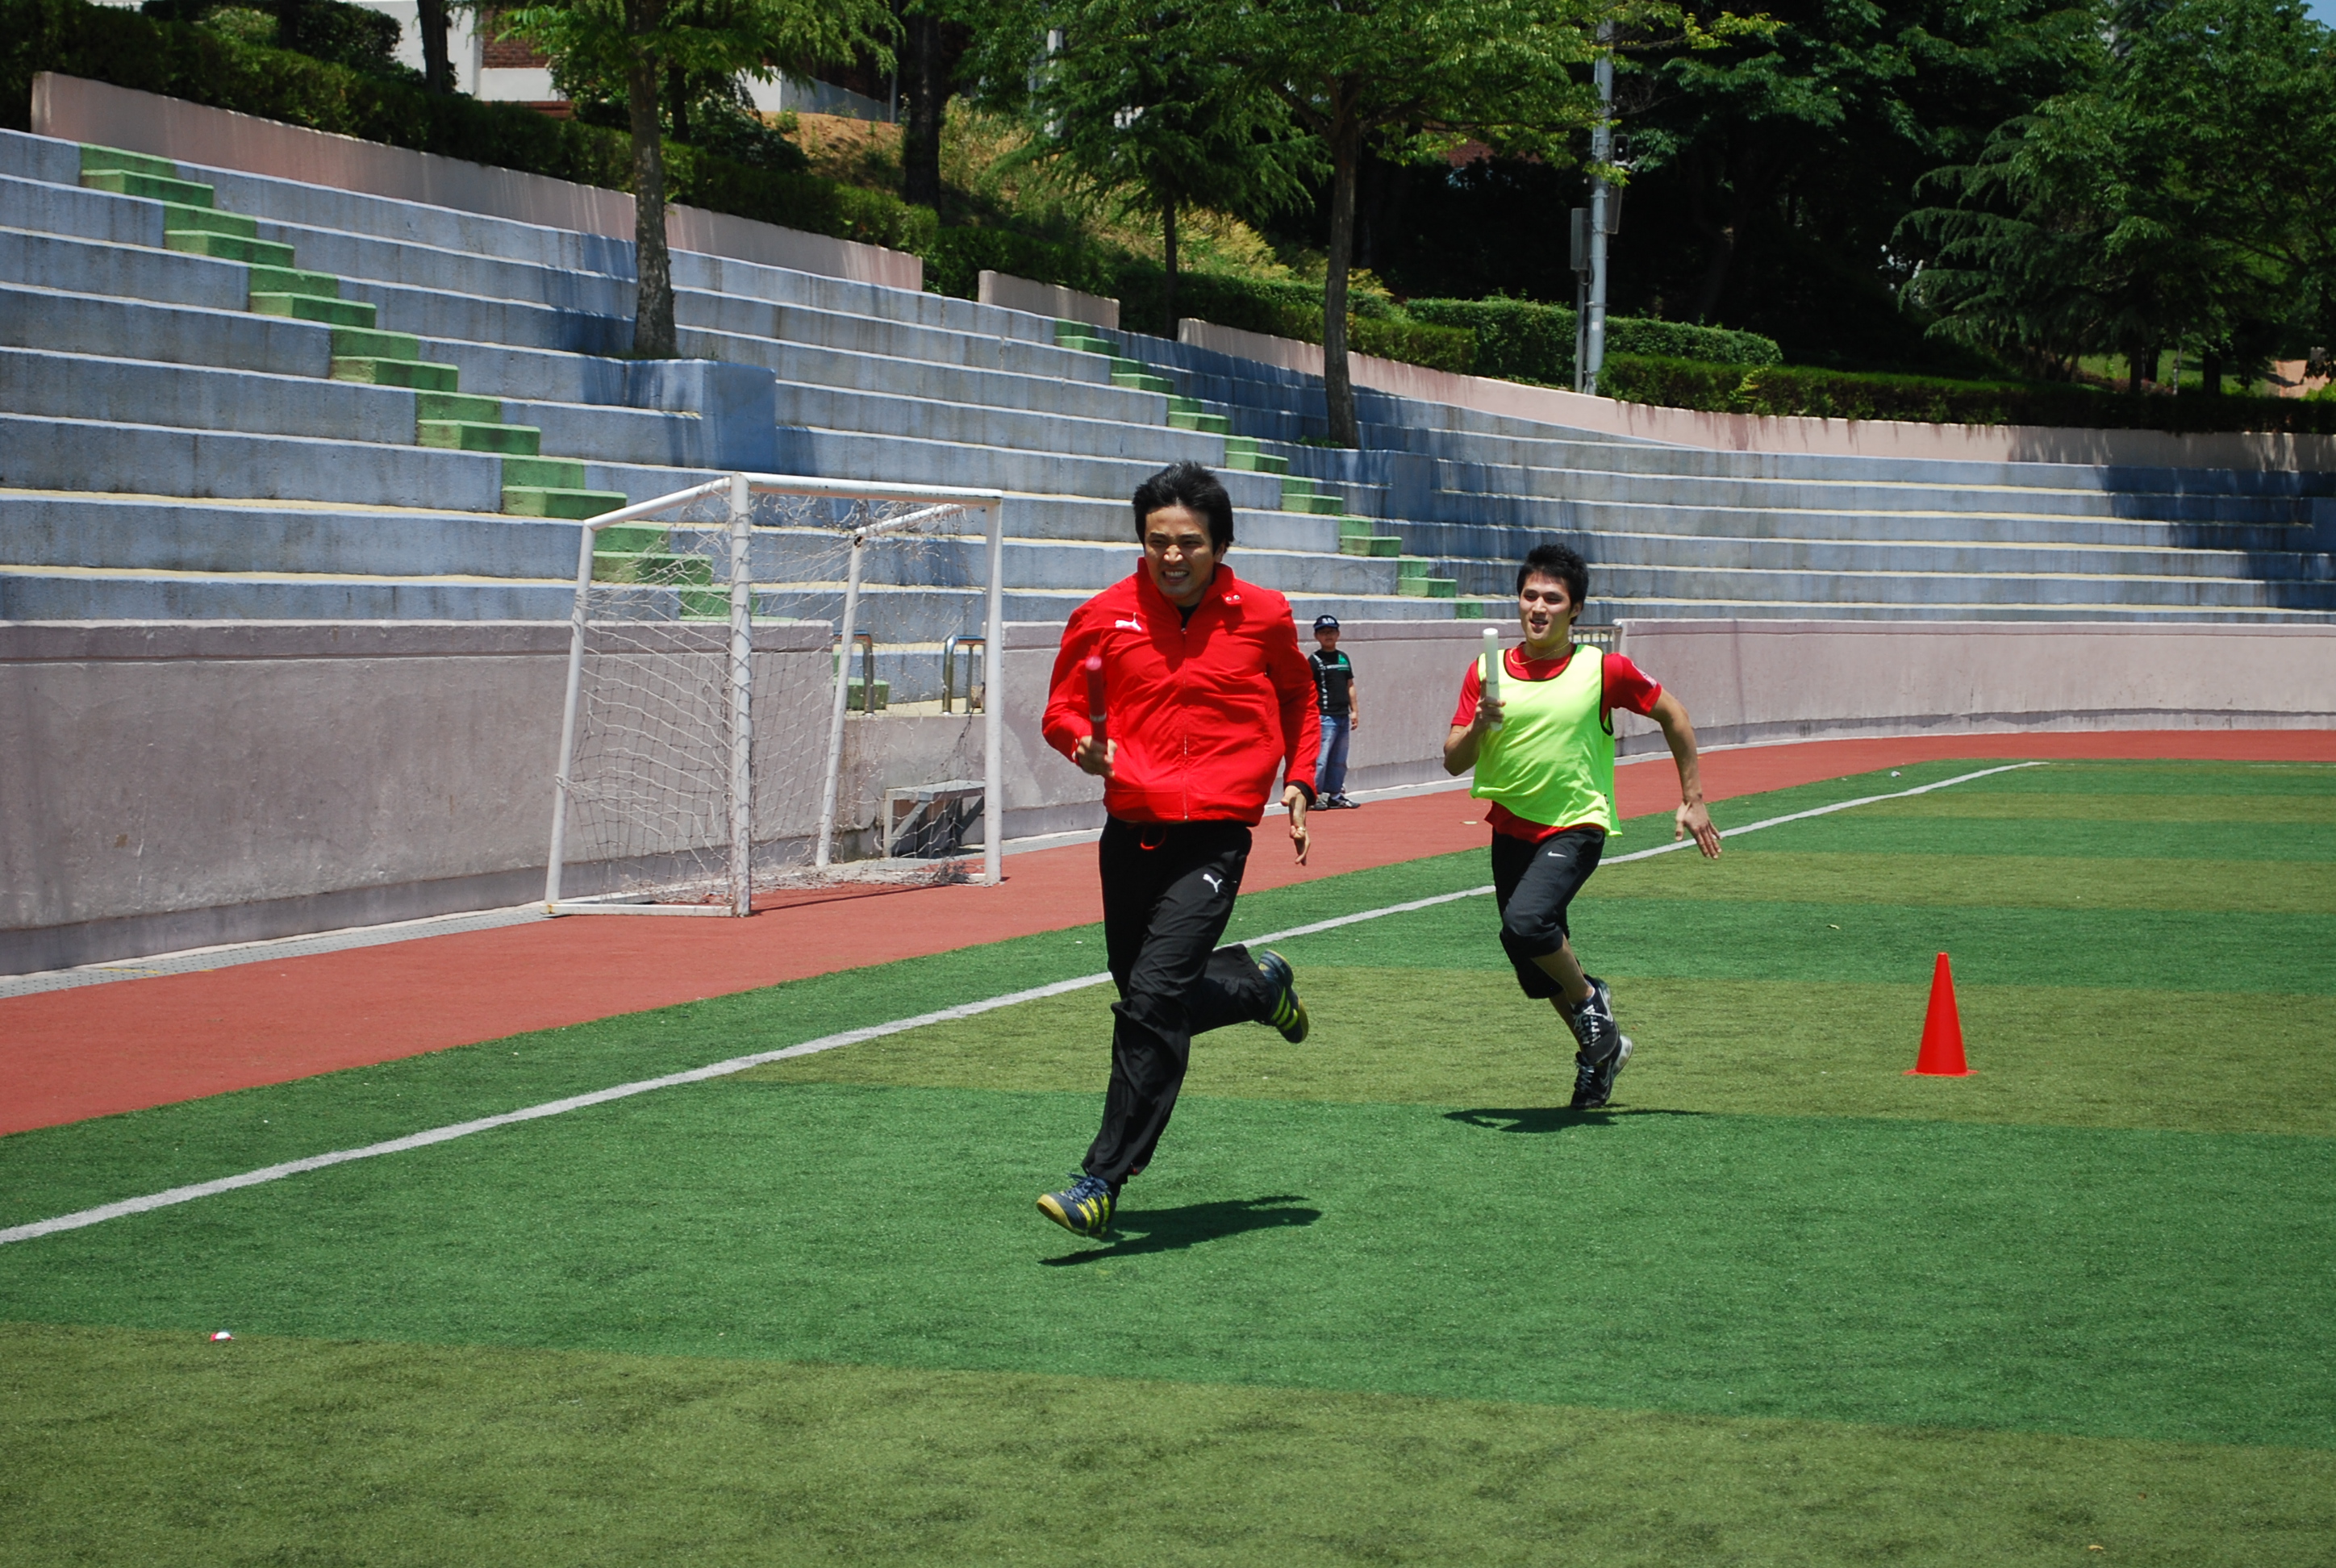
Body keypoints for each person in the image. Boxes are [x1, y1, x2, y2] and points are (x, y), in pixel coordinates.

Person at [1036, 461, 1320, 1238]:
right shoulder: (1102, 615)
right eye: (1157, 540)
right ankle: (1256, 989)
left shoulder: (1264, 614)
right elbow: (1060, 710)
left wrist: (1301, 780)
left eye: (1189, 542)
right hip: (1130, 833)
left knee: (1155, 997)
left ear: (1220, 546)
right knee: (1147, 995)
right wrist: (1080, 745)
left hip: (1216, 836)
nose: (1171, 555)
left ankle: (1101, 1179)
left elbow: (1299, 696)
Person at [1443, 542, 1722, 1111]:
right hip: (1511, 829)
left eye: (1553, 599)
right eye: (1529, 596)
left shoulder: (1603, 668)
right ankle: (1602, 1056)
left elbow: (1675, 715)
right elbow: (1453, 760)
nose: (1538, 608)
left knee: (1526, 923)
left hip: (1577, 822)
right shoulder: (1485, 670)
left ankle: (1592, 999)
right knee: (1531, 958)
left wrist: (1693, 798)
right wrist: (1478, 727)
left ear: (1575, 610)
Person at [1308, 615, 1362, 808]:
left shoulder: (1343, 658)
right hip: (1324, 717)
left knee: (1339, 759)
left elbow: (1350, 685)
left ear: (1338, 634)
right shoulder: (1314, 660)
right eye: (1323, 632)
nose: (1328, 635)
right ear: (1316, 636)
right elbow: (1307, 688)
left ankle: (1335, 795)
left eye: (1331, 631)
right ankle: (1314, 796)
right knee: (1321, 759)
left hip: (1342, 716)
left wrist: (1354, 711)